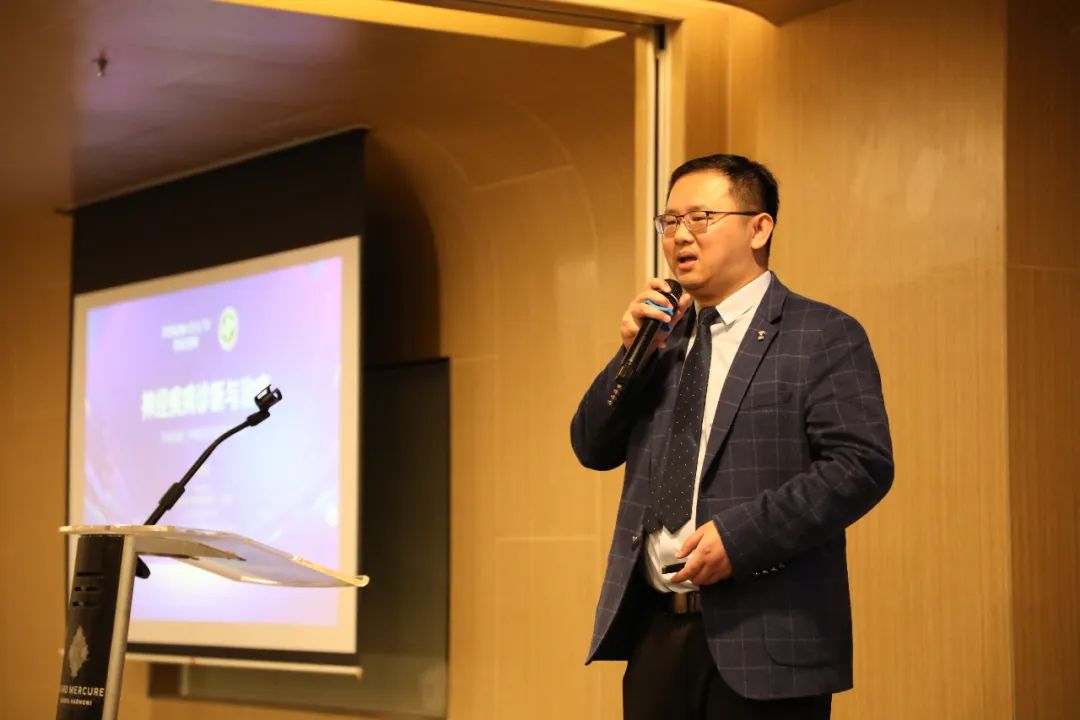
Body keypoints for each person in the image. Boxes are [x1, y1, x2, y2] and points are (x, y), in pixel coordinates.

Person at [570, 154, 893, 720]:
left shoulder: (821, 334)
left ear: (759, 228)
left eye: (700, 218)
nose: (680, 236)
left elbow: (859, 465)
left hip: (767, 637)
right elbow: (591, 447)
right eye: (670, 221)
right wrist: (629, 354)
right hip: (656, 632)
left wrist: (741, 539)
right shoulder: (661, 343)